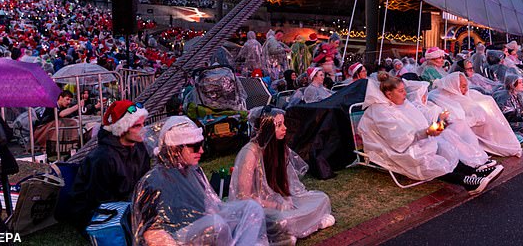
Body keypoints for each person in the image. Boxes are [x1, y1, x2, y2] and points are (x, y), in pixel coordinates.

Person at [357, 73, 502, 194]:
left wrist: (436, 126)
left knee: (443, 145)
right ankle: (466, 181)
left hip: (413, 141)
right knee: (425, 159)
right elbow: (397, 139)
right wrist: (426, 132)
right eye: (401, 91)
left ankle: (472, 171)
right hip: (396, 149)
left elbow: (418, 122)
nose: (405, 94)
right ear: (389, 94)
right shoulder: (379, 111)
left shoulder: (401, 103)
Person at [133, 116, 268, 246]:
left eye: (201, 144)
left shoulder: (193, 171)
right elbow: (151, 232)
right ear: (175, 149)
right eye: (195, 146)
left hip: (202, 227)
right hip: (178, 238)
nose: (202, 151)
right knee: (216, 225)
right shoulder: (154, 180)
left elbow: (211, 206)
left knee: (252, 208)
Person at [230, 108, 334, 243]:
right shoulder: (250, 153)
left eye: (283, 123)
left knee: (322, 198)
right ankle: (298, 228)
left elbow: (287, 183)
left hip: (277, 201)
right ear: (266, 129)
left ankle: (303, 225)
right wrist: (274, 205)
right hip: (257, 208)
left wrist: (287, 199)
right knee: (282, 220)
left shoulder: (279, 147)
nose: (285, 128)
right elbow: (243, 197)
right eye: (279, 125)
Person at [66, 100, 150, 231]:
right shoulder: (102, 157)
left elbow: (144, 182)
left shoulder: (139, 148)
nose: (143, 129)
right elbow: (99, 199)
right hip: (95, 212)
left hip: (126, 204)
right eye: (136, 126)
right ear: (122, 129)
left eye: (143, 124)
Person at [429, 72, 522, 157]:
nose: (466, 90)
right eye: (463, 87)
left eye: (466, 86)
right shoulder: (439, 97)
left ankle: (506, 141)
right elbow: (455, 118)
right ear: (453, 86)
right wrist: (476, 115)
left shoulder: (464, 93)